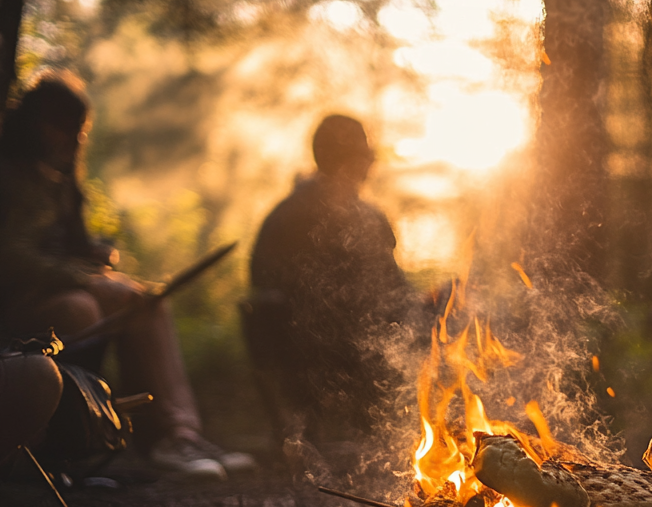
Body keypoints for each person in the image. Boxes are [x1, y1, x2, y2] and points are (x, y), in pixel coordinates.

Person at [0, 72, 254, 479]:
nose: (75, 140)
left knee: (144, 302)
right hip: (18, 304)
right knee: (81, 307)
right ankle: (70, 440)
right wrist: (82, 276)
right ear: (37, 123)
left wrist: (90, 253)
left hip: (53, 288)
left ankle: (177, 435)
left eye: (79, 132)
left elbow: (61, 245)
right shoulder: (9, 175)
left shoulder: (60, 179)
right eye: (66, 129)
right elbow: (10, 254)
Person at [247, 114, 419, 443]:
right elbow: (279, 289)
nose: (370, 164)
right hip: (325, 339)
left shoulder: (356, 215)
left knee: (430, 320)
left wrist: (423, 302)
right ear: (350, 161)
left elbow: (392, 284)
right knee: (418, 331)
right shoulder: (301, 217)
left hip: (341, 334)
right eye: (363, 155)